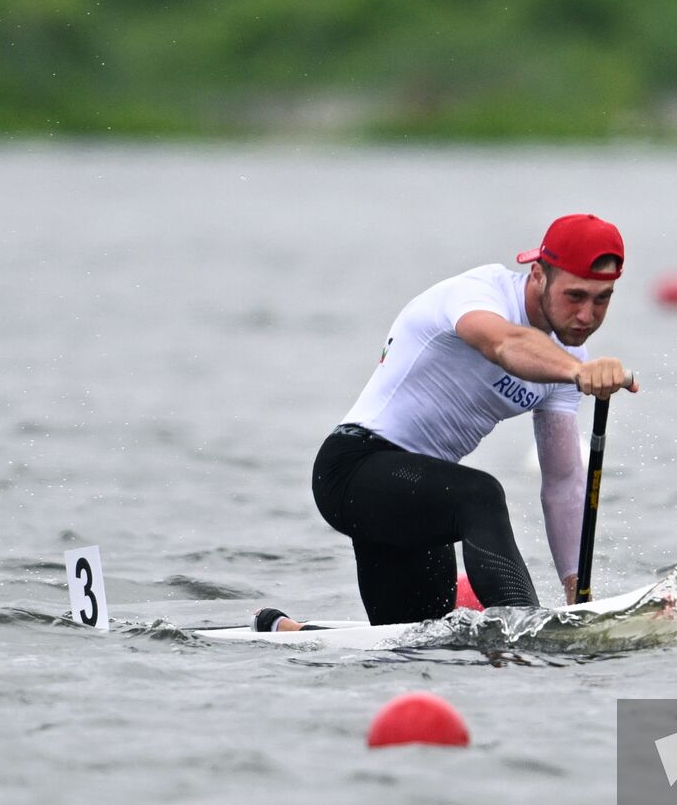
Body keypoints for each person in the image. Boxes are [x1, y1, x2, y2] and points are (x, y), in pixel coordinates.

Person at [253, 213, 638, 632]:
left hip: (419, 496)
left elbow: (563, 484)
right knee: (481, 494)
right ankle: (527, 628)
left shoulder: (565, 368)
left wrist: (576, 590)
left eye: (602, 299)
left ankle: (280, 629)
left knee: (421, 639)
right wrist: (577, 372)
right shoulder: (479, 294)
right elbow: (503, 343)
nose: (587, 314)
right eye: (576, 296)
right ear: (538, 274)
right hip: (354, 470)